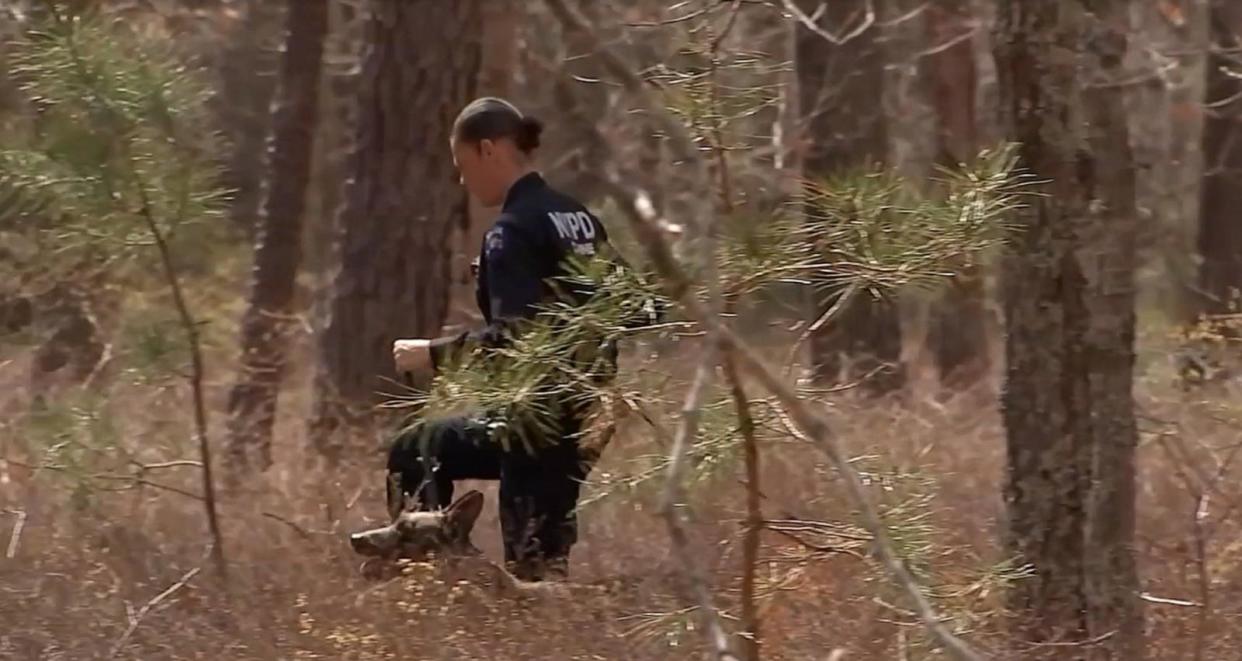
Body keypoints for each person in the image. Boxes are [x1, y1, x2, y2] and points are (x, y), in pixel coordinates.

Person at [386, 97, 654, 582]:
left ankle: (428, 579)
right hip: (586, 414)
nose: (463, 182)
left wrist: (432, 355)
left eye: (463, 167)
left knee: (534, 572)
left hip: (536, 420)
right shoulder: (575, 217)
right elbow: (641, 307)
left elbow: (515, 338)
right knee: (420, 446)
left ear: (488, 150)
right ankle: (436, 564)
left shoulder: (511, 232)